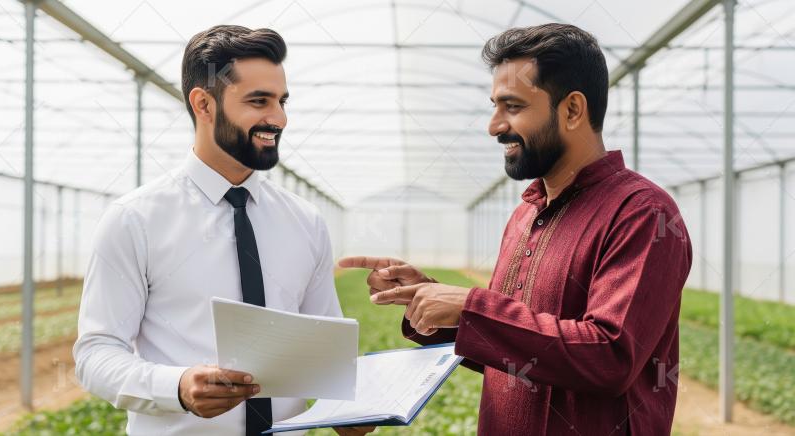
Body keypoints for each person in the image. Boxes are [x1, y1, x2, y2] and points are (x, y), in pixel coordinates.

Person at [340, 23, 692, 435]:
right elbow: (513, 346)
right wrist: (430, 302)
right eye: (495, 106)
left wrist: (470, 307)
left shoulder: (640, 213)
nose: (494, 125)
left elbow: (611, 357)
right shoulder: (526, 213)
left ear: (573, 110)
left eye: (513, 106)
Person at [74, 25, 370, 436]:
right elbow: (96, 354)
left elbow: (327, 352)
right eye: (258, 101)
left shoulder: (305, 221)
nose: (278, 118)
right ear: (204, 103)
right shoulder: (135, 220)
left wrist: (348, 411)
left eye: (282, 101)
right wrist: (176, 386)